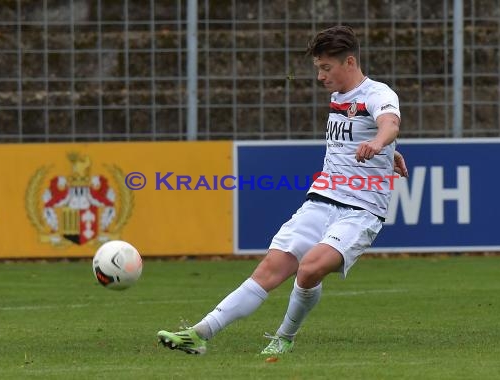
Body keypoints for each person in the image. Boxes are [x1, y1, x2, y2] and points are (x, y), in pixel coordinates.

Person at [157, 25, 407, 355]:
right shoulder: (338, 97)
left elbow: (389, 122)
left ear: (349, 62)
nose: (320, 76)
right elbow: (355, 134)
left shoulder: (378, 94)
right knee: (269, 270)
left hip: (360, 210)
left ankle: (284, 337)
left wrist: (380, 142)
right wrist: (387, 152)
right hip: (322, 199)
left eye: (325, 68)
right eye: (318, 68)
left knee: (310, 268)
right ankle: (200, 333)